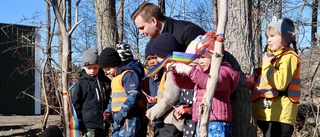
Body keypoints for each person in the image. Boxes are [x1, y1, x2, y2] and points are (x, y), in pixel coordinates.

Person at [167, 35, 240, 137]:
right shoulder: (201, 73)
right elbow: (185, 83)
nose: (200, 61)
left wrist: (189, 70)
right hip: (201, 122)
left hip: (217, 124)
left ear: (214, 56)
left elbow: (211, 83)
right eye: (198, 57)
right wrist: (176, 73)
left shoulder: (224, 71)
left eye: (203, 57)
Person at [250, 17, 300, 137]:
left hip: (280, 117)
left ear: (285, 38)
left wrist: (266, 64)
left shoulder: (289, 57)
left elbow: (280, 83)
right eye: (268, 37)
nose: (269, 40)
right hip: (267, 115)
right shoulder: (272, 57)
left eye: (273, 36)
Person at [98, 43, 146, 137]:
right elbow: (113, 98)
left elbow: (134, 94)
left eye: (108, 69)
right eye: (105, 70)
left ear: (115, 64)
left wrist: (122, 113)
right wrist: (108, 112)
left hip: (129, 119)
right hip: (117, 119)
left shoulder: (128, 75)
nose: (107, 72)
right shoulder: (116, 78)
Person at [147, 33, 185, 137]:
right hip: (166, 121)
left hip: (172, 123)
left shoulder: (174, 71)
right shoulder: (168, 71)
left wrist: (152, 113)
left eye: (158, 56)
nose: (157, 60)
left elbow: (170, 98)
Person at [131, 2, 206, 52]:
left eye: (142, 28)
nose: (140, 33)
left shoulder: (188, 32)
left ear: (154, 21)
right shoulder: (156, 42)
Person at [72, 48, 111, 137]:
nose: (92, 70)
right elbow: (76, 103)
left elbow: (110, 98)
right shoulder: (81, 83)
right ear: (84, 67)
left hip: (104, 122)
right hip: (88, 124)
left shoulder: (105, 81)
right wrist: (78, 121)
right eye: (89, 68)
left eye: (95, 67)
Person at [144, 39, 165, 137]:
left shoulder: (165, 73)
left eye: (154, 57)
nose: (152, 61)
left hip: (167, 114)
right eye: (148, 59)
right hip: (155, 116)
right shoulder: (150, 77)